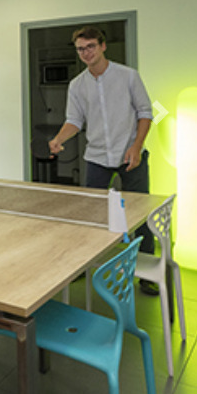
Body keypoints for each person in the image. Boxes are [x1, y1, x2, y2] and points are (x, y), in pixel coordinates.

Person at [48, 26, 158, 295]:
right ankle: (84, 264)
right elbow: (74, 120)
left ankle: (147, 273)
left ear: (103, 46)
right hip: (96, 157)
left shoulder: (128, 76)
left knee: (141, 214)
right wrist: (59, 138)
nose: (86, 53)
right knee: (91, 215)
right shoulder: (77, 85)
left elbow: (145, 113)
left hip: (130, 155)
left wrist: (136, 146)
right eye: (81, 49)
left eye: (91, 46)